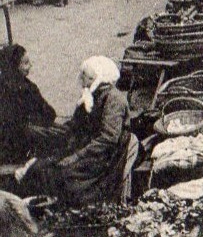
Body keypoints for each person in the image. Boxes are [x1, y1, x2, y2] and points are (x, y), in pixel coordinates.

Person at [14, 57, 128, 207]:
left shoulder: (114, 99)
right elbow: (74, 125)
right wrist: (46, 132)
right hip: (87, 149)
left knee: (62, 175)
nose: (81, 80)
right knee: (40, 167)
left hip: (104, 156)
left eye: (85, 76)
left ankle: (62, 209)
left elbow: (108, 139)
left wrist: (76, 156)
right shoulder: (90, 96)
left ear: (97, 78)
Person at [0, 46, 55, 166]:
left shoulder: (6, 86)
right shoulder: (27, 88)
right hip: (22, 146)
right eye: (25, 63)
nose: (30, 66)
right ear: (14, 66)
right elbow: (50, 113)